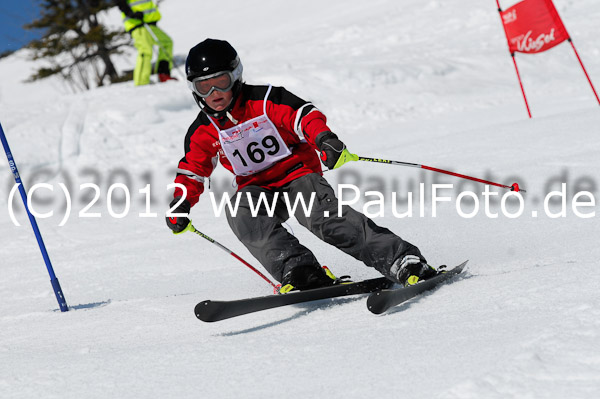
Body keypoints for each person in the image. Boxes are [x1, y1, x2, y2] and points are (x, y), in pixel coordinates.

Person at [166, 38, 439, 292]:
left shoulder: (265, 99)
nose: (214, 92)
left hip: (299, 176)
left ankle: (401, 259)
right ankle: (300, 269)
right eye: (205, 86)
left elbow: (303, 116)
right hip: (258, 188)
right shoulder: (203, 130)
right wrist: (181, 202)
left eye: (220, 82)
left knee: (321, 217)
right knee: (240, 211)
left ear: (235, 76)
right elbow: (192, 170)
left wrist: (323, 138)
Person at [116, 0, 176, 85]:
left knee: (167, 43)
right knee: (145, 50)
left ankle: (163, 74)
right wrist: (129, 13)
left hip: (149, 23)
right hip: (137, 23)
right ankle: (141, 82)